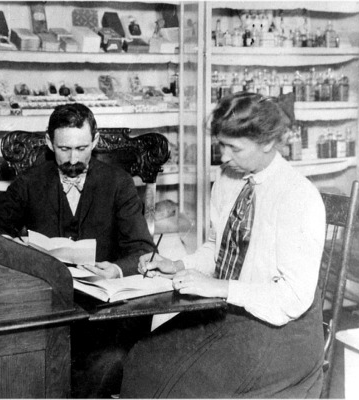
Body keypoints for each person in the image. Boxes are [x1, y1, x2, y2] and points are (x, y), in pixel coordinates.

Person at [121, 92, 326, 398]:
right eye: (221, 146)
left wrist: (221, 288)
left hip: (282, 331)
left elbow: (293, 298)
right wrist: (179, 265)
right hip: (228, 312)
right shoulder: (229, 179)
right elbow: (217, 248)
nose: (225, 157)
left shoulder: (298, 196)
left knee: (182, 384)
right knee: (144, 356)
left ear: (268, 143)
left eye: (235, 148)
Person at [0, 103, 154, 398]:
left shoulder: (117, 183)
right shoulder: (31, 182)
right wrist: (19, 247)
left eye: (82, 148)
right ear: (49, 143)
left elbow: (142, 249)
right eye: (63, 149)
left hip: (104, 316)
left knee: (106, 365)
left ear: (95, 142)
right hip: (48, 309)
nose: (73, 159)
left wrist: (116, 268)